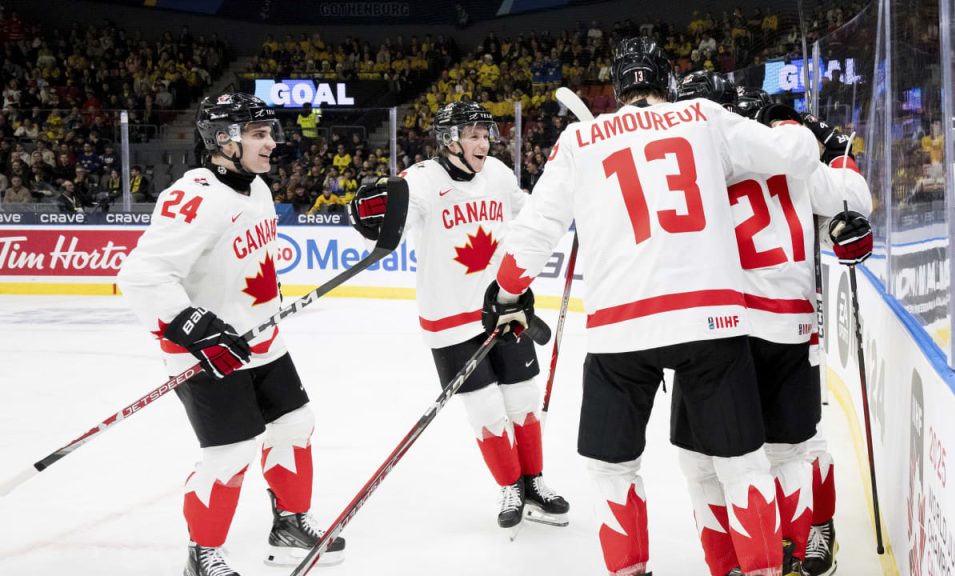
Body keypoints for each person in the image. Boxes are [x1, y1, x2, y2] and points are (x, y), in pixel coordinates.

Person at [480, 38, 822, 576]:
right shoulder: (704, 116)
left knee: (613, 471)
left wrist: (506, 294)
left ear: (618, 87)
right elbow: (797, 157)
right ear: (668, 80)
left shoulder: (579, 139)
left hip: (621, 328)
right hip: (710, 320)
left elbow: (535, 231)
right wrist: (789, 122)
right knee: (742, 465)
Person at [117, 93, 345, 576]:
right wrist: (193, 325)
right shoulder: (195, 196)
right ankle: (202, 555)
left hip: (261, 340)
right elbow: (141, 276)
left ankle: (289, 525)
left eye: (270, 133)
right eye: (259, 134)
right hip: (208, 353)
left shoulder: (256, 187)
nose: (272, 143)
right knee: (230, 454)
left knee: (295, 423)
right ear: (224, 140)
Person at [673, 74, 873, 576]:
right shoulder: (790, 149)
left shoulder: (693, 161)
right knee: (794, 447)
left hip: (724, 325)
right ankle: (800, 543)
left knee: (719, 459)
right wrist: (838, 153)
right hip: (784, 324)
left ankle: (756, 555)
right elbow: (854, 202)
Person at [347, 100, 570, 531]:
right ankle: (510, 486)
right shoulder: (421, 180)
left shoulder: (498, 174)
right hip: (448, 318)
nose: (483, 143)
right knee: (486, 411)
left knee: (523, 400)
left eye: (486, 135)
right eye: (473, 136)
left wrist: (565, 204)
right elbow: (395, 221)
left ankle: (534, 482)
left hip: (502, 305)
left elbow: (527, 210)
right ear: (450, 140)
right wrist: (370, 218)